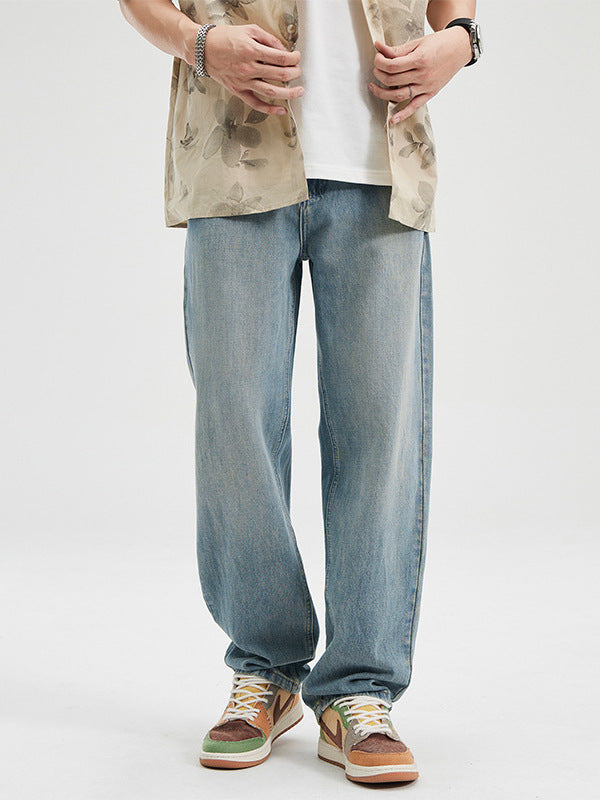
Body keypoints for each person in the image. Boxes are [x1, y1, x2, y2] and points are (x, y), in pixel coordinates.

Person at [118, 0, 481, 784]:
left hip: (381, 158)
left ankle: (360, 689)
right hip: (232, 149)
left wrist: (459, 40)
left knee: (380, 436)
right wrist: (198, 43)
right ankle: (266, 669)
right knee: (236, 428)